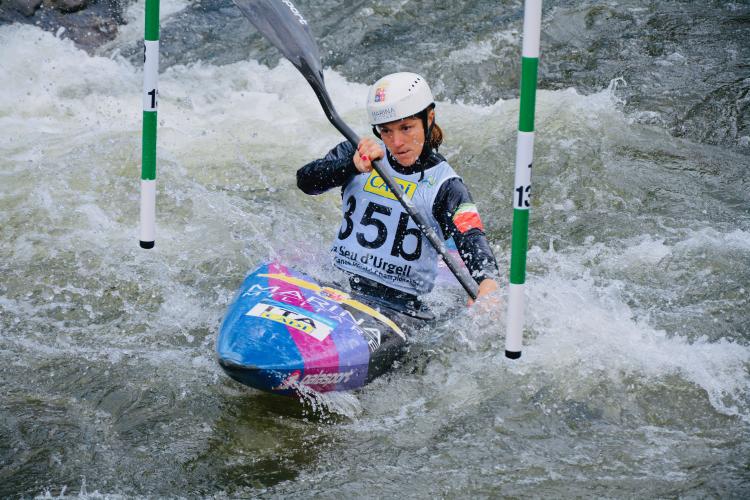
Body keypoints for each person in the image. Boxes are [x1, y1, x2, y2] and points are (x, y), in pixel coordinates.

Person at [297, 72, 498, 319]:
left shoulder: (446, 185)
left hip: (399, 309)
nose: (397, 141)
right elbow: (306, 181)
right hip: (339, 284)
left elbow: (471, 236)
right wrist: (350, 167)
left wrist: (486, 282)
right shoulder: (357, 152)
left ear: (429, 118)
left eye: (406, 128)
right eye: (386, 131)